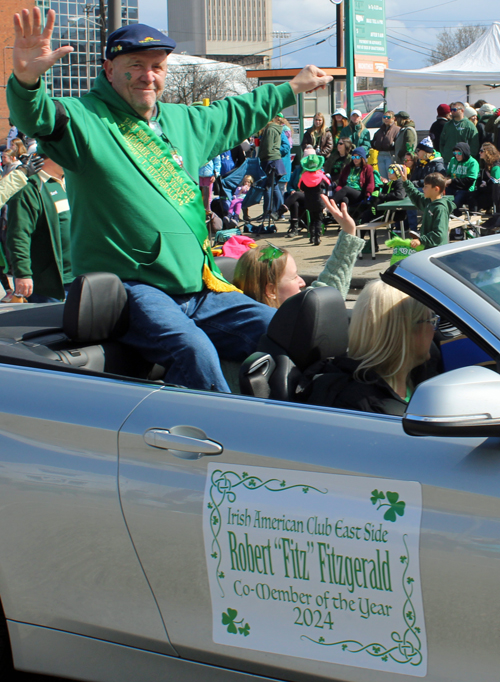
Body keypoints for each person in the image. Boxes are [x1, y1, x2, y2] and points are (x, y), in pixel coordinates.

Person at [7, 7, 332, 393]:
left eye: (157, 66)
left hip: (199, 288)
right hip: (136, 289)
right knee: (192, 350)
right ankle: (228, 441)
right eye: (136, 64)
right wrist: (27, 80)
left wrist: (291, 87)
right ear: (109, 70)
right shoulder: (86, 118)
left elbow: (237, 112)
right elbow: (39, 117)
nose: (149, 76)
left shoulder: (183, 121)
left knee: (286, 330)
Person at [296, 279, 437, 415]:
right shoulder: (360, 407)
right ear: (405, 333)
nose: (434, 329)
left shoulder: (417, 376)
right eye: (431, 320)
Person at [233, 199, 364, 306]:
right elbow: (325, 297)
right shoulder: (292, 324)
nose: (303, 283)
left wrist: (348, 231)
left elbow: (328, 288)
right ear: (271, 290)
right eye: (294, 277)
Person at [6, 155, 73, 302]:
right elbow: (19, 235)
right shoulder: (30, 189)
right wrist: (23, 273)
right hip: (51, 284)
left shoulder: (70, 183)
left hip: (79, 276)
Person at [402, 171, 455, 250]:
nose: (423, 189)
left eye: (426, 186)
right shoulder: (429, 202)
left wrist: (421, 240)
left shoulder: (440, 208)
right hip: (429, 249)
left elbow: (439, 234)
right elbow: (416, 196)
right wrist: (406, 181)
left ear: (436, 189)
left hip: (437, 251)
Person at [258, 115, 287, 225]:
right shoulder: (275, 128)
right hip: (275, 160)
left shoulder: (270, 129)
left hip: (270, 160)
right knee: (274, 187)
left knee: (268, 187)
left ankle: (267, 213)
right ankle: (279, 212)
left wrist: (260, 157)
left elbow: (268, 147)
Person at [297, 153, 330, 246]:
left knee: (311, 219)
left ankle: (311, 237)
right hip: (319, 200)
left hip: (308, 200)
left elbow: (300, 187)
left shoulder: (304, 176)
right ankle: (317, 238)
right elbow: (327, 183)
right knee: (318, 220)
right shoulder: (321, 175)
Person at [445, 142, 479, 215]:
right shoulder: (453, 160)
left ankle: (458, 220)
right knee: (442, 199)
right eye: (455, 153)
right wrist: (446, 180)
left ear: (465, 153)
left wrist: (452, 181)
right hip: (452, 187)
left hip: (466, 189)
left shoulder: (473, 163)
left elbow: (469, 181)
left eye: (459, 153)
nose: (457, 156)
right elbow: (449, 174)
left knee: (455, 202)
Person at [469, 142, 500, 213]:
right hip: (486, 190)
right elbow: (480, 178)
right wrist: (481, 185)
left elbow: (496, 185)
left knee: (477, 198)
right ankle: (474, 215)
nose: (479, 153)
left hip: (493, 192)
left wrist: (484, 186)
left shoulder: (496, 166)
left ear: (488, 152)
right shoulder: (484, 164)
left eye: (481, 151)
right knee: (470, 195)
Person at [371, 111, 400, 180]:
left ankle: (391, 190)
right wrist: (375, 144)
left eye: (388, 117)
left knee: (391, 175)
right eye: (384, 117)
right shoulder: (380, 130)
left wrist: (393, 145)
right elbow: (373, 141)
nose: (386, 119)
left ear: (393, 118)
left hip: (390, 155)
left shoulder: (397, 129)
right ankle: (384, 190)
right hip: (380, 155)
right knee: (382, 177)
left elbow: (399, 143)